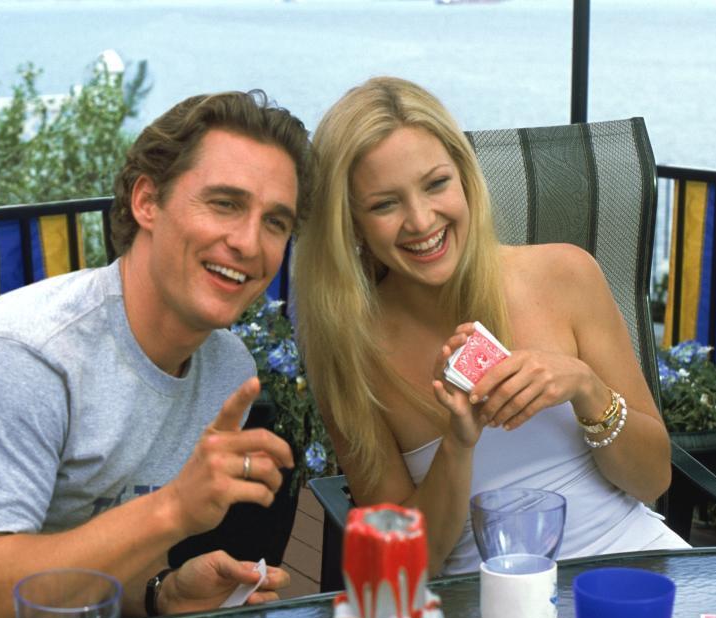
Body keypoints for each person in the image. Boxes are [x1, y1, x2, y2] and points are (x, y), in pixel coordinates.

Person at [0, 89, 312, 618]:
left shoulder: (224, 370)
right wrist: (174, 509)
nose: (249, 242)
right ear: (146, 201)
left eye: (276, 222)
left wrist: (160, 591)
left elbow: (94, 556)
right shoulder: (20, 356)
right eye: (224, 203)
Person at [294, 77, 689, 576]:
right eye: (384, 204)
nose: (421, 220)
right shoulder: (351, 352)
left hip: (638, 567)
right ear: (351, 222)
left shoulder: (566, 273)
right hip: (488, 601)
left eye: (436, 184)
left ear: (465, 178)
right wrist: (458, 443)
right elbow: (408, 566)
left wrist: (587, 389)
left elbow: (653, 480)